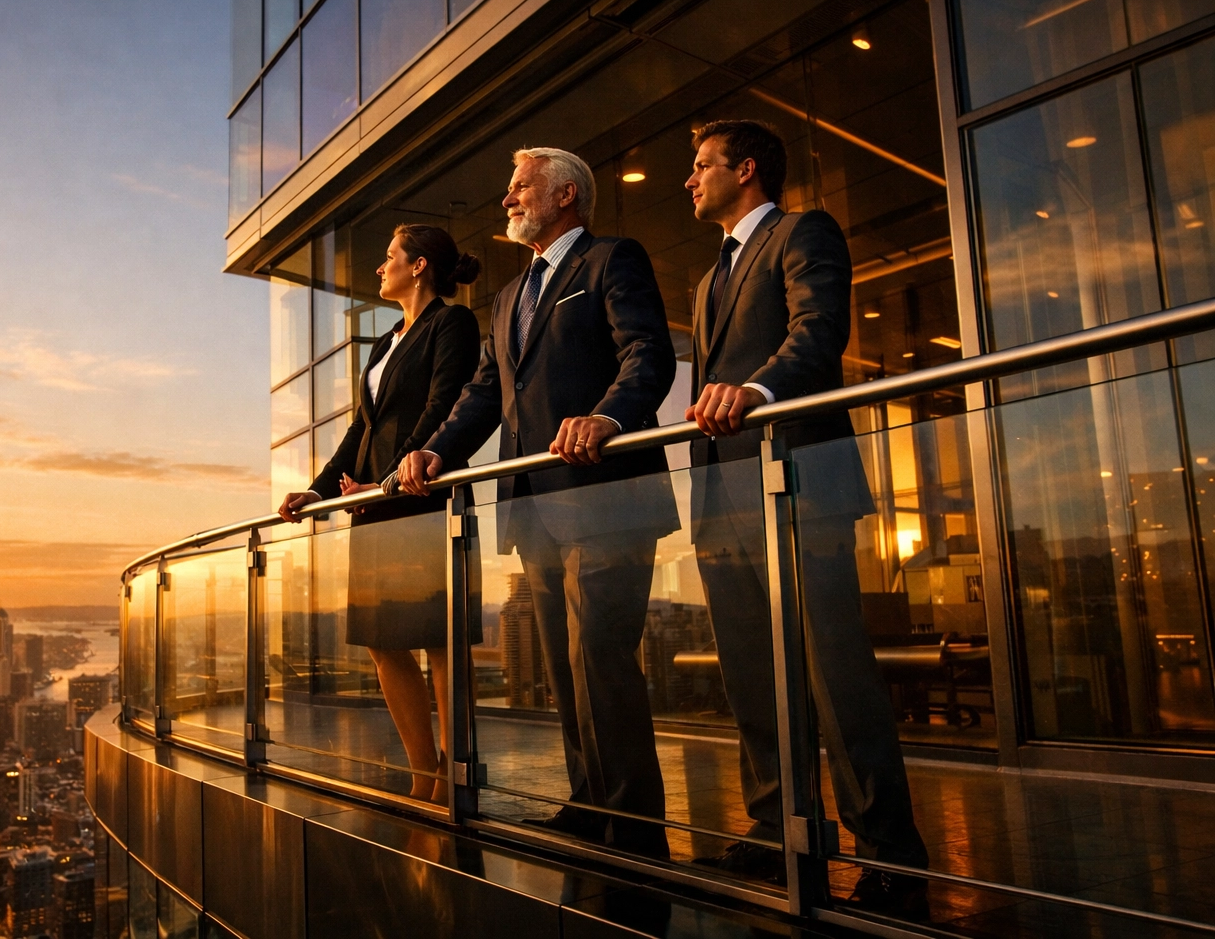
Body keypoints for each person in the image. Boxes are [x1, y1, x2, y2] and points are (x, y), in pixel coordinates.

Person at [398, 147, 678, 857]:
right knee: (561, 664)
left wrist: (609, 416)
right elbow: (484, 394)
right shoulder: (505, 297)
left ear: (564, 196)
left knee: (601, 661)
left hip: (607, 493)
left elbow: (647, 352)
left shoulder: (613, 260)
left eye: (519, 186)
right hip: (533, 505)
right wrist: (437, 450)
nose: (507, 200)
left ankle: (634, 831)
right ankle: (590, 807)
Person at [681, 119, 929, 914]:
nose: (690, 179)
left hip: (800, 482)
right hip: (724, 495)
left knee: (835, 677)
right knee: (752, 679)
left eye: (702, 166)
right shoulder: (708, 274)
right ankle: (776, 828)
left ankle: (890, 854)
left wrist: (757, 391)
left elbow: (818, 332)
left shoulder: (801, 232)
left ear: (745, 169)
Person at [279, 224, 483, 804]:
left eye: (388, 257)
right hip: (370, 500)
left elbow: (445, 406)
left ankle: (458, 775)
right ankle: (427, 773)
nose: (379, 268)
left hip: (419, 495)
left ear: (418, 266)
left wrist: (392, 478)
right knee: (382, 640)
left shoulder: (453, 323)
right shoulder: (384, 340)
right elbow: (360, 428)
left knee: (438, 638)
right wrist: (320, 491)